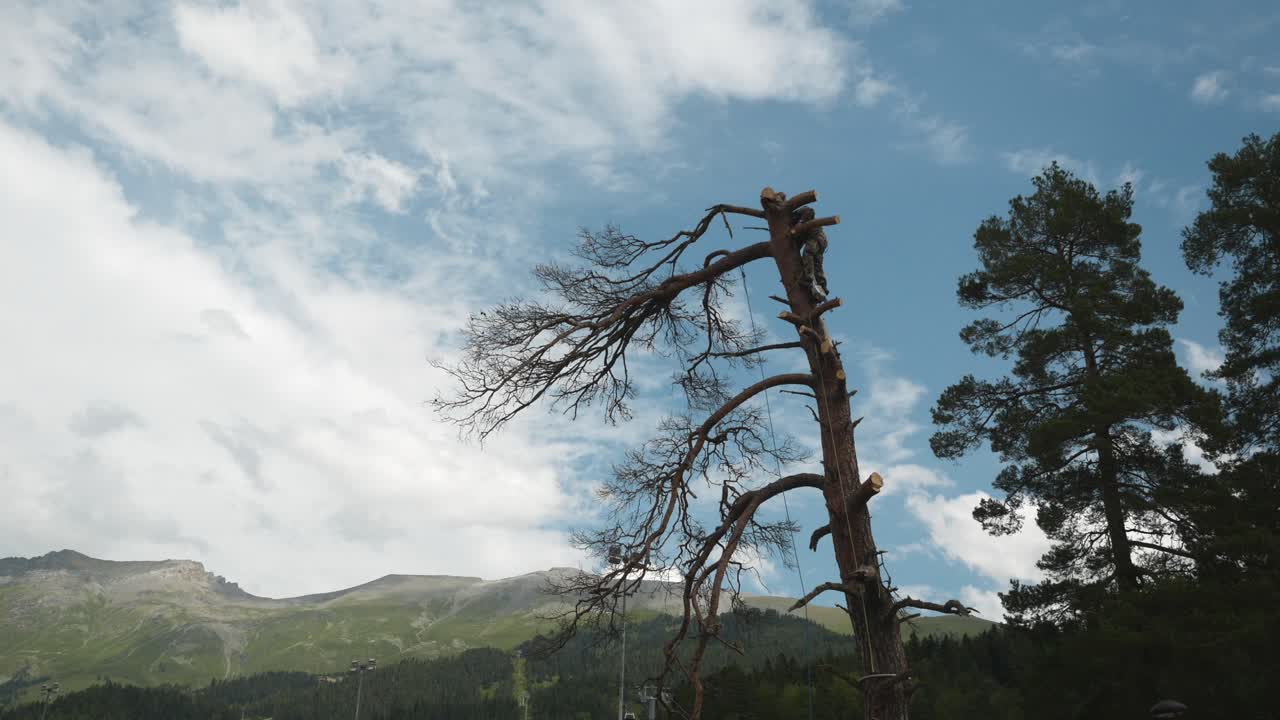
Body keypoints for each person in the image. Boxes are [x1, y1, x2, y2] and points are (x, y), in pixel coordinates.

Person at [792, 206, 829, 302]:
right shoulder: (802, 224)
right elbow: (799, 241)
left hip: (816, 238)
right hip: (821, 241)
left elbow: (810, 211)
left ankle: (809, 279)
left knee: (807, 253)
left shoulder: (802, 217)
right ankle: (822, 286)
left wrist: (800, 223)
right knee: (817, 264)